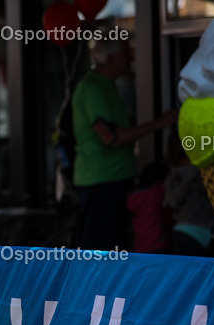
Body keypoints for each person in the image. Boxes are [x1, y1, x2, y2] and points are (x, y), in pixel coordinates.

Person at [72, 38, 176, 250]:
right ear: (110, 58)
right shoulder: (93, 88)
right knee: (99, 252)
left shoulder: (106, 85)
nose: (133, 57)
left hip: (113, 178)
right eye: (127, 53)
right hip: (101, 181)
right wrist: (159, 124)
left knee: (114, 249)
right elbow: (111, 138)